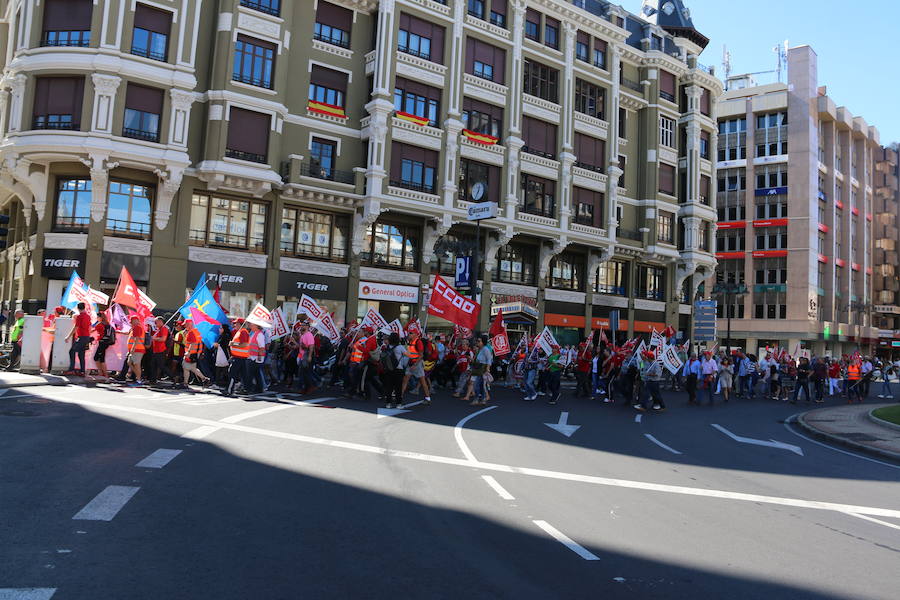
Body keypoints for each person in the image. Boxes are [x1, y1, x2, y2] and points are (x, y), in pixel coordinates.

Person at [401, 329, 432, 405]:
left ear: (415, 334)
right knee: (405, 379)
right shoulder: (410, 341)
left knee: (422, 381)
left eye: (411, 333)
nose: (409, 334)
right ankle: (400, 396)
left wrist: (415, 365)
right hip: (411, 362)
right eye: (409, 333)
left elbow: (421, 355)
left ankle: (428, 398)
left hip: (417, 364)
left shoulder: (419, 342)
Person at [179, 319, 211, 389]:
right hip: (195, 353)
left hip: (190, 353)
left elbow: (193, 343)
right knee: (191, 368)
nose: (185, 325)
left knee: (186, 367)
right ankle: (204, 379)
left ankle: (186, 383)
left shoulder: (191, 332)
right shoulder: (196, 331)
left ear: (190, 324)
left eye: (186, 324)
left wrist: (188, 352)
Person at [64, 304, 93, 376]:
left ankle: (71, 369)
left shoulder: (80, 317)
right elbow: (90, 327)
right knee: (81, 354)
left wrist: (68, 336)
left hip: (81, 337)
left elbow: (75, 327)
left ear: (78, 308)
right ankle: (82, 371)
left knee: (72, 351)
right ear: (84, 308)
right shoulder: (88, 316)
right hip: (86, 337)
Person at [226, 320, 251, 396]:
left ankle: (230, 390)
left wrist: (233, 343)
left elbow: (244, 344)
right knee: (244, 375)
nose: (234, 325)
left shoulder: (243, 332)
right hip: (240, 357)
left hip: (239, 357)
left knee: (232, 373)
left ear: (240, 324)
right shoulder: (241, 331)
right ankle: (246, 390)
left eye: (235, 323)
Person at [383, 332, 406, 408]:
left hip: (389, 369)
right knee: (398, 387)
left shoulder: (387, 347)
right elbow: (408, 356)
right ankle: (398, 404)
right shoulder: (401, 347)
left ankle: (388, 404)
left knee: (389, 387)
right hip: (398, 369)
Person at [470, 334, 493, 406]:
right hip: (478, 368)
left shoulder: (485, 349)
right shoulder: (479, 349)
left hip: (482, 369)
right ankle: (481, 399)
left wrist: (487, 369)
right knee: (479, 385)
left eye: (479, 341)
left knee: (478, 385)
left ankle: (478, 399)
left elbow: (489, 359)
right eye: (477, 341)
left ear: (483, 342)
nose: (477, 342)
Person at [93, 312, 115, 381]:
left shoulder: (100, 324)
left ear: (100, 317)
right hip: (106, 343)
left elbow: (94, 329)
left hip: (102, 342)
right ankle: (103, 373)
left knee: (97, 358)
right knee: (100, 358)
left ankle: (103, 373)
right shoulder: (108, 324)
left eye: (97, 317)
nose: (97, 318)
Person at [125, 315, 146, 385]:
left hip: (137, 349)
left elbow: (136, 339)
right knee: (130, 362)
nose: (131, 323)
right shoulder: (135, 328)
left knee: (136, 364)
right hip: (136, 349)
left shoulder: (137, 327)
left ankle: (139, 379)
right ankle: (139, 377)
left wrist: (133, 348)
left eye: (132, 321)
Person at [246, 322, 267, 393]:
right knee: (256, 374)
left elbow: (262, 347)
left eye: (252, 324)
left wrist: (259, 357)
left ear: (256, 326)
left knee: (249, 374)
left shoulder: (260, 334)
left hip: (255, 358)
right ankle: (259, 389)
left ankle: (248, 389)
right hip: (252, 357)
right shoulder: (254, 333)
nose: (250, 326)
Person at [149, 317, 170, 384]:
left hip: (161, 350)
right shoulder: (158, 329)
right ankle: (152, 380)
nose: (155, 323)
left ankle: (174, 377)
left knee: (161, 366)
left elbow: (163, 339)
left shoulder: (164, 329)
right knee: (153, 365)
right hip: (156, 351)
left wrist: (154, 338)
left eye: (156, 322)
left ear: (161, 321)